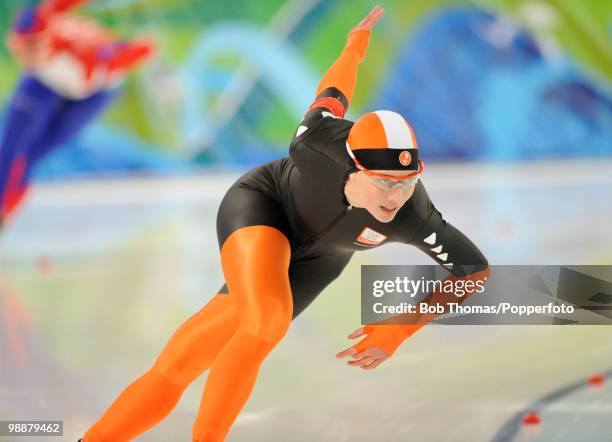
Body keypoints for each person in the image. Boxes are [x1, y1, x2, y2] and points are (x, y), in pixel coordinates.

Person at [81, 5, 489, 442]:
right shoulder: (317, 144)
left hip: (322, 257)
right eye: (383, 182)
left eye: (407, 182)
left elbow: (474, 271)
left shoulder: (414, 215)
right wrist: (355, 44)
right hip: (264, 208)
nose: (396, 196)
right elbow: (334, 91)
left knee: (186, 358)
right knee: (267, 321)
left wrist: (401, 329)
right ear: (353, 168)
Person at [0, 0, 154, 229]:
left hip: (93, 90)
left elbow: (130, 54)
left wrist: (145, 47)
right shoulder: (40, 18)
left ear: (45, 41)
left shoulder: (89, 60)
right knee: (10, 148)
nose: (26, 56)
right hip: (45, 79)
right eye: (20, 47)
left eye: (32, 48)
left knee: (39, 149)